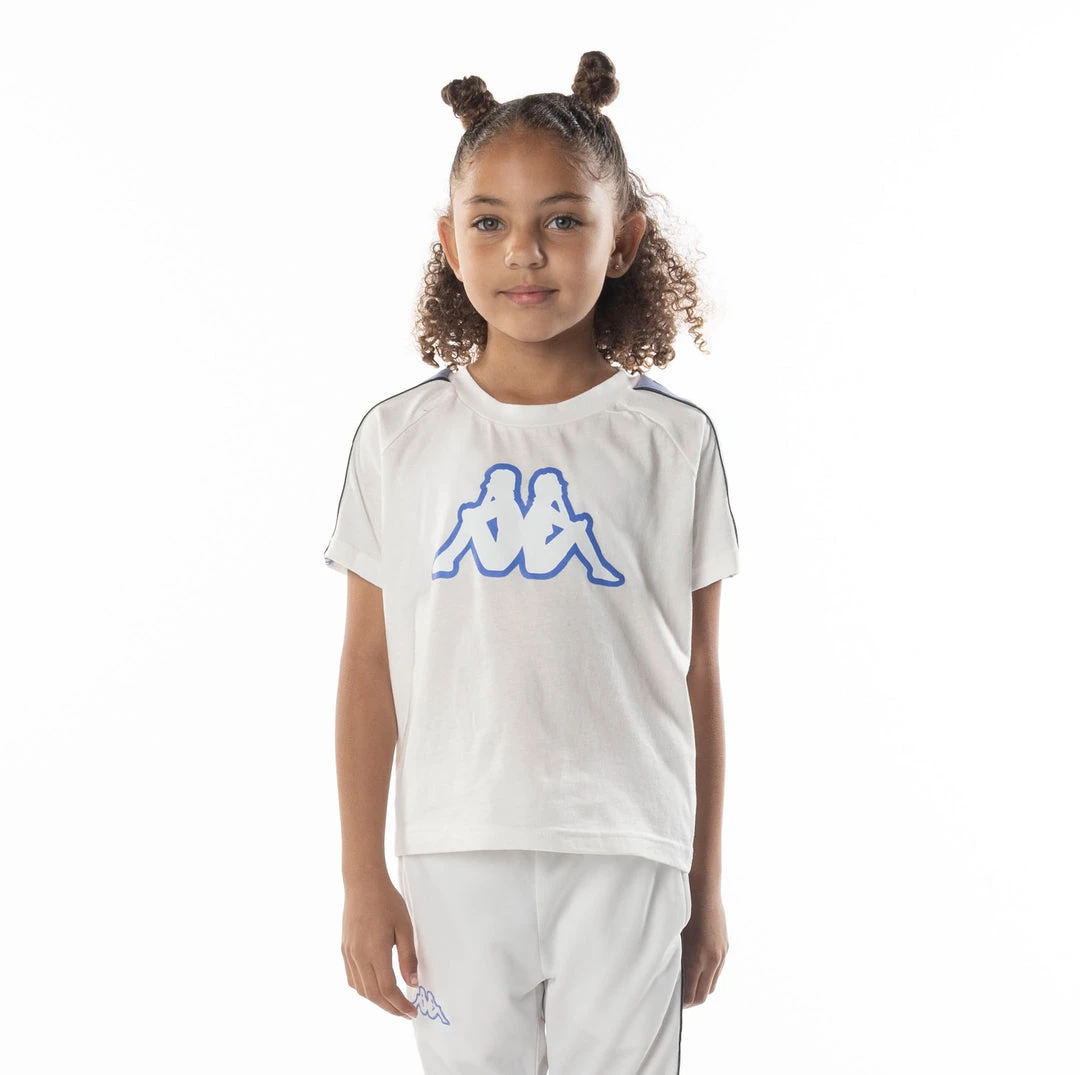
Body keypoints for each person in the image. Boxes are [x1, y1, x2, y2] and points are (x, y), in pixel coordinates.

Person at [324, 49, 740, 1075]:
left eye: (561, 220)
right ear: (449, 241)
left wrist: (706, 883)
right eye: (490, 222)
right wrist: (363, 876)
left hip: (630, 848)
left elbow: (698, 674)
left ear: (624, 238)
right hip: (455, 847)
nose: (524, 252)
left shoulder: (673, 443)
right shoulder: (399, 440)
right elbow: (369, 664)